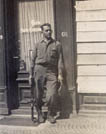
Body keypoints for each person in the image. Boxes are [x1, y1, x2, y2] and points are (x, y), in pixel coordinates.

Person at [29, 23, 63, 124]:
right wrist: (30, 74)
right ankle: (39, 113)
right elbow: (32, 60)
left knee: (52, 95)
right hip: (39, 70)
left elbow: (60, 60)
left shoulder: (57, 44)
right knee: (38, 94)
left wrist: (60, 74)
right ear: (42, 32)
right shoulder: (37, 44)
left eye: (50, 30)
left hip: (52, 71)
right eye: (46, 30)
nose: (49, 32)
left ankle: (50, 114)